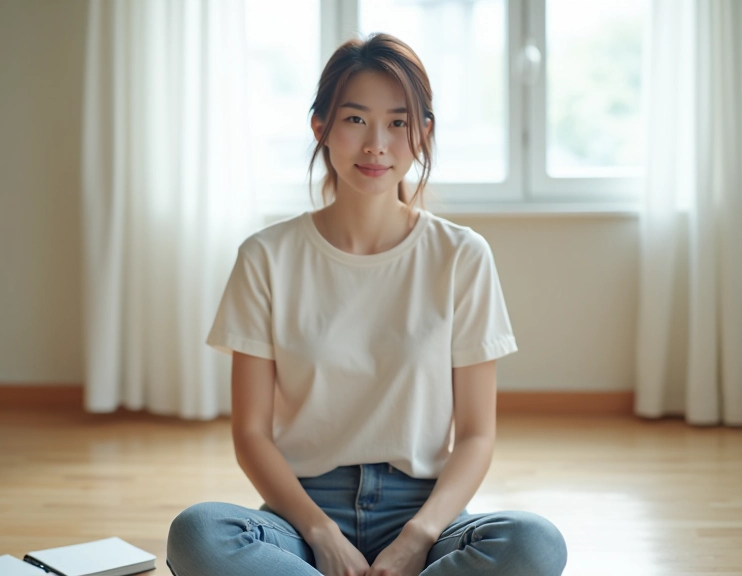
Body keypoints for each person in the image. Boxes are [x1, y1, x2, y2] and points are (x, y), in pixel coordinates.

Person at [167, 33, 567, 576]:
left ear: (423, 132)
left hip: (426, 508)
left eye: (398, 123)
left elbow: (476, 434)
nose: (376, 144)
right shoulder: (266, 256)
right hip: (303, 510)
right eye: (355, 120)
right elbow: (251, 434)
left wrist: (418, 537)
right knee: (198, 532)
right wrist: (320, 534)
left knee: (535, 543)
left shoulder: (461, 256)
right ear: (321, 127)